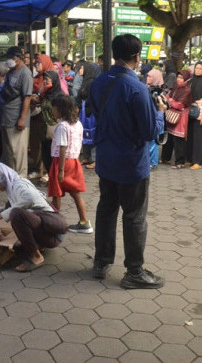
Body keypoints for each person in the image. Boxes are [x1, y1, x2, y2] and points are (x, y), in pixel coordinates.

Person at [87, 34, 166, 289]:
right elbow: (148, 132)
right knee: (134, 216)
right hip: (131, 163)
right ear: (136, 56)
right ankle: (134, 271)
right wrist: (160, 115)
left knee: (106, 209)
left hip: (106, 159)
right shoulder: (137, 88)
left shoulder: (100, 81)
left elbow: (94, 113)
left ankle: (101, 262)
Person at [0, 163, 68, 272]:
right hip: (47, 231)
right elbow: (3, 211)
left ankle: (36, 257)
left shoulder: (19, 185)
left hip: (53, 233)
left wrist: (1, 216)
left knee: (16, 214)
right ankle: (38, 246)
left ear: (2, 178)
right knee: (14, 213)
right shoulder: (12, 190)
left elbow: (29, 200)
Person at [47, 95, 90, 233]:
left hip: (61, 162)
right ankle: (84, 222)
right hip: (74, 162)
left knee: (56, 194)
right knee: (75, 193)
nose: (52, 112)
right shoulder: (77, 123)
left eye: (53, 109)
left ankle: (54, 224)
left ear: (60, 109)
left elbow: (62, 147)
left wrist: (60, 170)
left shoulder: (62, 126)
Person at [0, 46, 33, 177]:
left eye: (11, 57)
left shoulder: (25, 73)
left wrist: (22, 119)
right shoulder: (11, 72)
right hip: (6, 118)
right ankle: (11, 180)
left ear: (18, 58)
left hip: (16, 121)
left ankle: (20, 182)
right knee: (9, 153)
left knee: (18, 155)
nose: (8, 60)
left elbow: (27, 97)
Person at [29, 54, 56, 179]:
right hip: (35, 116)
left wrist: (38, 98)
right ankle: (38, 168)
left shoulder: (52, 77)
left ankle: (47, 170)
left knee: (48, 143)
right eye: (35, 63)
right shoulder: (34, 78)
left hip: (47, 117)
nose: (36, 65)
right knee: (35, 143)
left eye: (38, 62)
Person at [163, 70, 193, 168]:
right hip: (172, 115)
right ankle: (166, 158)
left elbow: (180, 105)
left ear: (186, 79)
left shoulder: (187, 90)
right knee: (170, 138)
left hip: (181, 117)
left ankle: (180, 162)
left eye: (181, 77)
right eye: (178, 77)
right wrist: (171, 101)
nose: (179, 79)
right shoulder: (176, 88)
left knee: (179, 139)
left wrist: (171, 102)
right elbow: (167, 98)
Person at [146, 69, 165, 168]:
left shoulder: (158, 92)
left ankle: (153, 162)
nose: (148, 78)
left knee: (153, 141)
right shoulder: (148, 89)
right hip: (151, 117)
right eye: (148, 76)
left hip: (156, 117)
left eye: (151, 77)